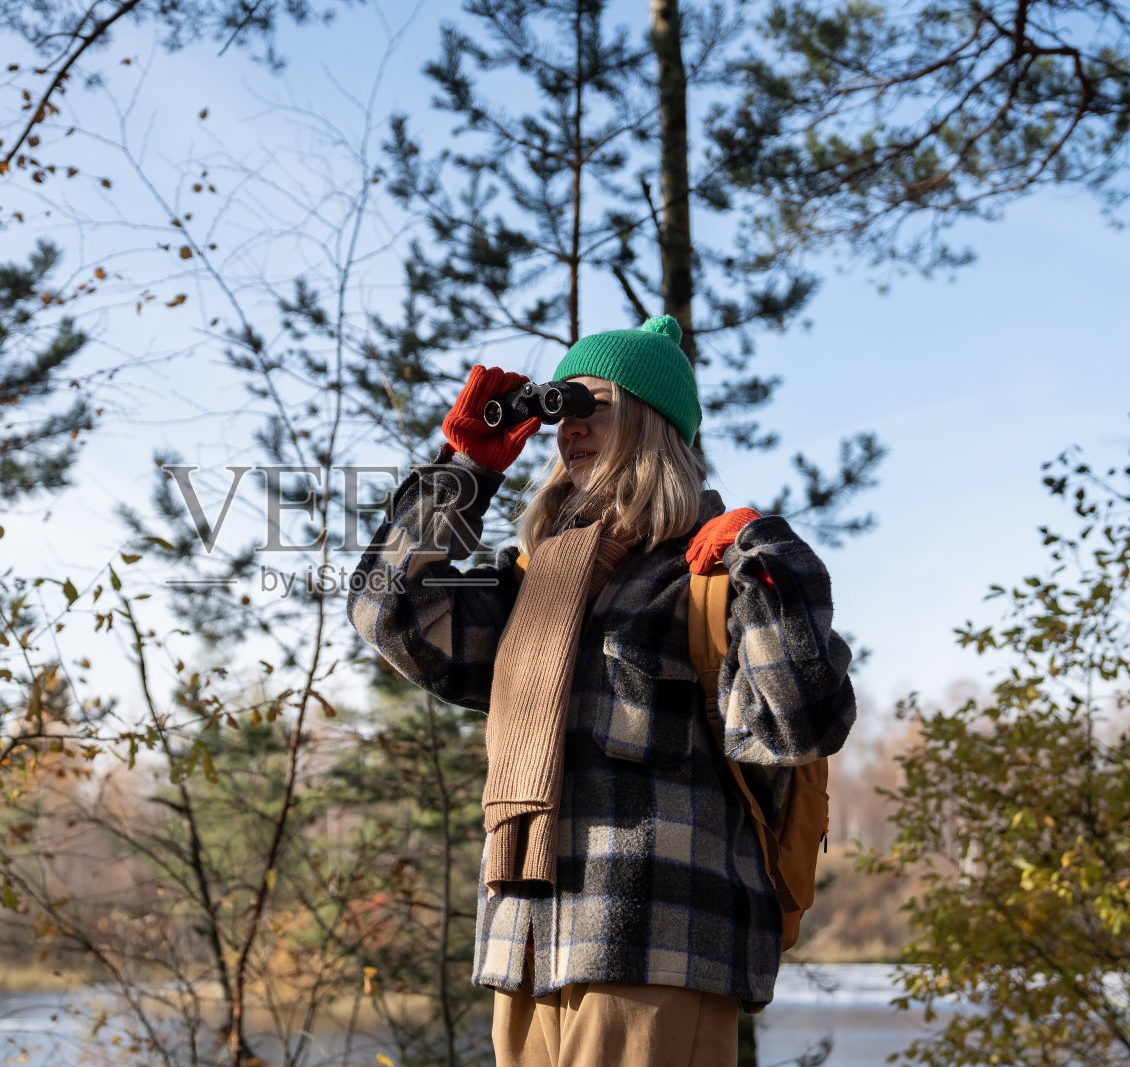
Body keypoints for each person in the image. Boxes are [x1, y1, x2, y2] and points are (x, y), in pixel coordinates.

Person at [346, 315, 855, 1067]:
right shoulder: (536, 584)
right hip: (525, 942)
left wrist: (761, 566)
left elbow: (800, 723)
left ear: (651, 423)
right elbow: (387, 611)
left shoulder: (716, 569)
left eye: (593, 404)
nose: (569, 427)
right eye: (561, 407)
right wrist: (469, 465)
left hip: (657, 939)